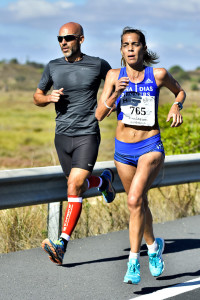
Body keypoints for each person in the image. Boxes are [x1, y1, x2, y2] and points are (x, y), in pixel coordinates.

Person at [95, 27, 186, 284]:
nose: (131, 48)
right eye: (126, 45)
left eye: (136, 44)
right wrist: (115, 93)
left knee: (134, 199)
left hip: (150, 147)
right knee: (139, 203)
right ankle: (154, 247)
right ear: (122, 50)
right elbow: (99, 115)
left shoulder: (157, 74)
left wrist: (177, 105)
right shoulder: (114, 75)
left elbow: (179, 91)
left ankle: (133, 262)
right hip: (123, 152)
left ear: (144, 48)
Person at [33, 22, 116, 265]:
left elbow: (115, 84)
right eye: (59, 38)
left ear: (81, 39)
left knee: (74, 184)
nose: (63, 43)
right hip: (62, 135)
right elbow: (36, 96)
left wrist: (109, 102)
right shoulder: (52, 66)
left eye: (68, 38)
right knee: (75, 185)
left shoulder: (98, 64)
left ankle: (61, 244)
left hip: (87, 133)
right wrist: (48, 98)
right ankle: (104, 181)